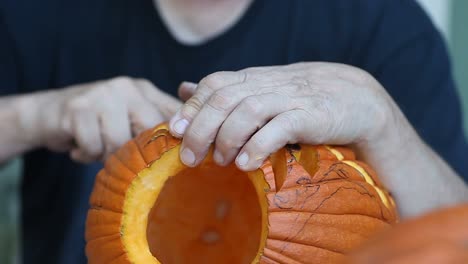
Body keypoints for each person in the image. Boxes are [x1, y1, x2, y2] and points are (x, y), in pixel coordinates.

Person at [1, 0, 467, 263]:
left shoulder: (383, 23)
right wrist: (37, 115)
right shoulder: (34, 12)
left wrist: (383, 123)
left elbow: (456, 238)